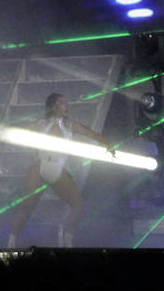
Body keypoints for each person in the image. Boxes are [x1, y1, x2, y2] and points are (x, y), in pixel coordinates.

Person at [6, 93, 114, 248]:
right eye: (63, 103)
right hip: (40, 166)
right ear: (54, 106)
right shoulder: (41, 123)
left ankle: (68, 237)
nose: (66, 106)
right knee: (27, 206)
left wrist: (108, 143)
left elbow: (90, 133)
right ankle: (12, 239)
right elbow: (18, 131)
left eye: (66, 102)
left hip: (59, 170)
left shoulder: (70, 125)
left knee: (78, 204)